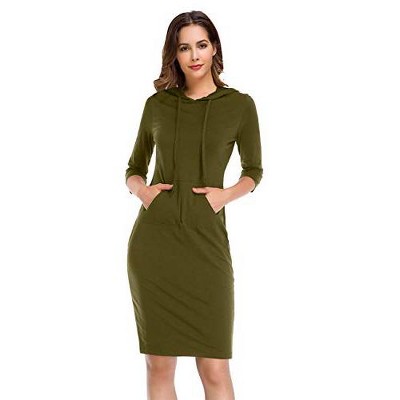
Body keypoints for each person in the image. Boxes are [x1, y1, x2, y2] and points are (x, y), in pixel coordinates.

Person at [125, 10, 263, 400]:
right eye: (184, 47)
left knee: (214, 368)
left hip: (207, 246)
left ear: (214, 47)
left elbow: (254, 170)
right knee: (159, 366)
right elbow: (134, 168)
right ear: (174, 54)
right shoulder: (157, 105)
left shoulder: (239, 105)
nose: (194, 55)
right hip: (155, 246)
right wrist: (143, 191)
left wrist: (225, 195)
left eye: (201, 45)